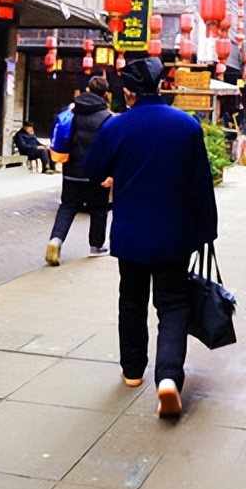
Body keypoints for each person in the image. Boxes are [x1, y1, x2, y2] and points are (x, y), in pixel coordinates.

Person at [85, 57, 217, 418]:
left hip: (130, 232)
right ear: (161, 86)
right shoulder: (186, 125)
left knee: (131, 299)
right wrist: (207, 231)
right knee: (173, 304)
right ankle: (169, 378)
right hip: (175, 232)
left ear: (127, 91)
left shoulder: (117, 127)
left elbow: (93, 169)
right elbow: (201, 184)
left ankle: (131, 372)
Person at [46, 75, 113, 265]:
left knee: (67, 207)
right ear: (105, 94)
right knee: (99, 210)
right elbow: (110, 148)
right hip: (96, 173)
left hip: (71, 170)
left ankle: (55, 240)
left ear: (88, 90)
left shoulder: (72, 111)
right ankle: (96, 246)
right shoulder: (107, 117)